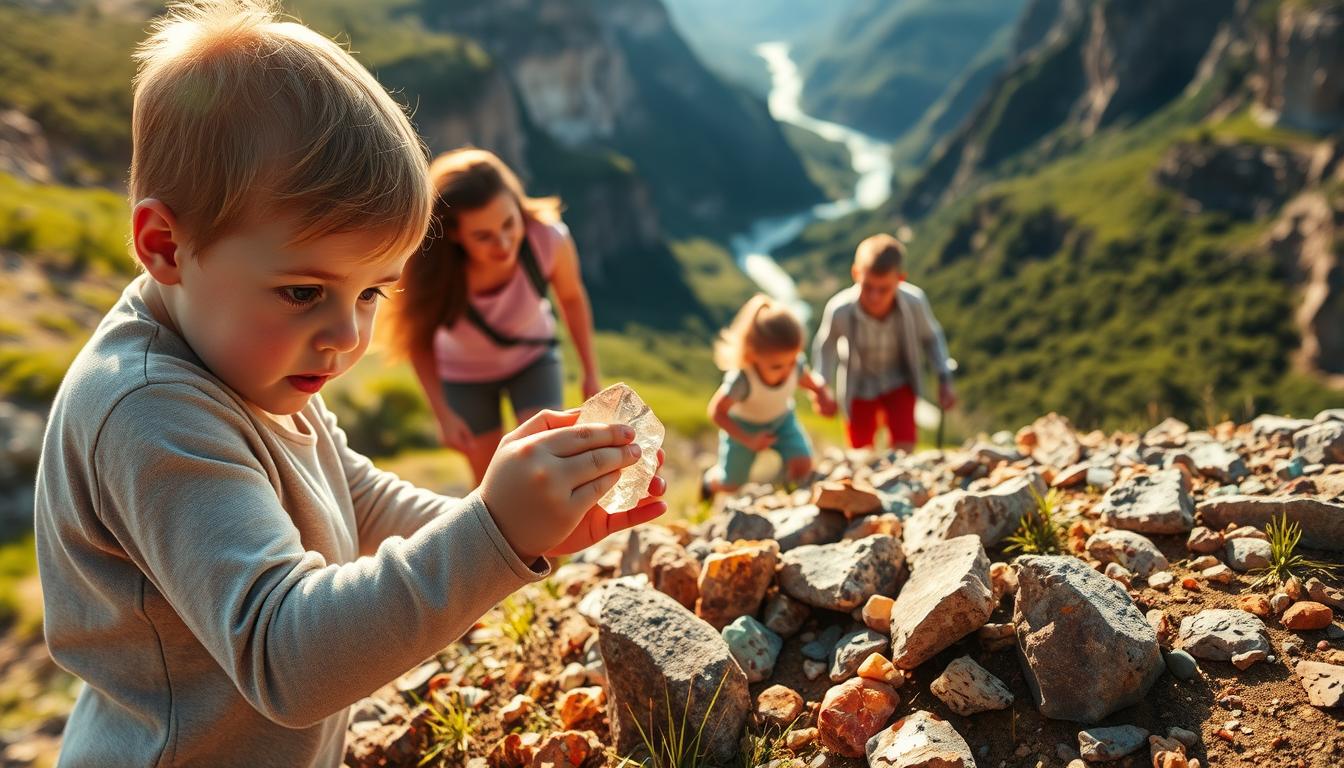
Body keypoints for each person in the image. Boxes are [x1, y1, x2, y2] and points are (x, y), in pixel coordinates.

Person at [31, 3, 664, 766]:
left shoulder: (253, 352)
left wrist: (514, 520)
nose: (348, 336)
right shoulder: (149, 412)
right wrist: (491, 532)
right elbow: (284, 657)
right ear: (165, 245)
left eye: (372, 292)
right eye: (304, 290)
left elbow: (349, 496)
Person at [385, 148, 601, 482]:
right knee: (491, 482)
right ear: (454, 234)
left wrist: (590, 372)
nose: (503, 244)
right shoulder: (432, 268)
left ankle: (555, 535)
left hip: (533, 360)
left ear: (518, 206)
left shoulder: (549, 239)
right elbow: (419, 342)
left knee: (548, 459)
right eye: (482, 236)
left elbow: (572, 299)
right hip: (464, 376)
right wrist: (443, 414)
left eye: (509, 224)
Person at [813, 233, 957, 452]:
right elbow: (825, 346)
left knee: (904, 446)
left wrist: (944, 377)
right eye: (867, 286)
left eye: (884, 289)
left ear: (900, 280)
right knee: (860, 451)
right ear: (855, 274)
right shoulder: (839, 309)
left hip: (899, 379)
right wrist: (821, 387)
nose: (874, 297)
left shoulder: (914, 302)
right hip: (859, 383)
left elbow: (931, 337)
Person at [702, 294, 834, 495]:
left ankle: (785, 495)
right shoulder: (743, 380)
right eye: (777, 366)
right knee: (731, 483)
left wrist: (822, 394)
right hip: (743, 428)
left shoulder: (793, 364)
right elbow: (717, 412)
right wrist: (748, 440)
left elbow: (810, 382)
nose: (788, 370)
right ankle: (708, 483)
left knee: (803, 464)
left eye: (793, 360)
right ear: (751, 355)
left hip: (782, 421)